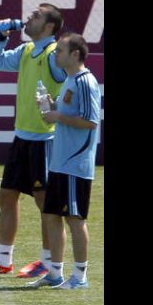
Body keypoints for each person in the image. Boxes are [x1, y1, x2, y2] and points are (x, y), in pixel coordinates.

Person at [0, 4, 67, 278]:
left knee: (44, 202)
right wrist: (0, 38)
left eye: (36, 16)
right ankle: (3, 260)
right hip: (22, 136)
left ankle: (48, 261)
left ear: (49, 26)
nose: (29, 18)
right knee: (7, 195)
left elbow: (71, 80)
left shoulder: (53, 54)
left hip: (45, 139)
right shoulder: (26, 50)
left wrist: (57, 106)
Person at [28, 33, 100, 289]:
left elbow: (91, 121)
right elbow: (63, 112)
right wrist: (49, 106)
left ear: (75, 54)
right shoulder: (70, 80)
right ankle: (55, 273)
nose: (56, 55)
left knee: (75, 219)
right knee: (51, 215)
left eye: (60, 50)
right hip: (60, 163)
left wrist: (58, 116)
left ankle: (79, 276)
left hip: (74, 164)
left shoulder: (85, 81)